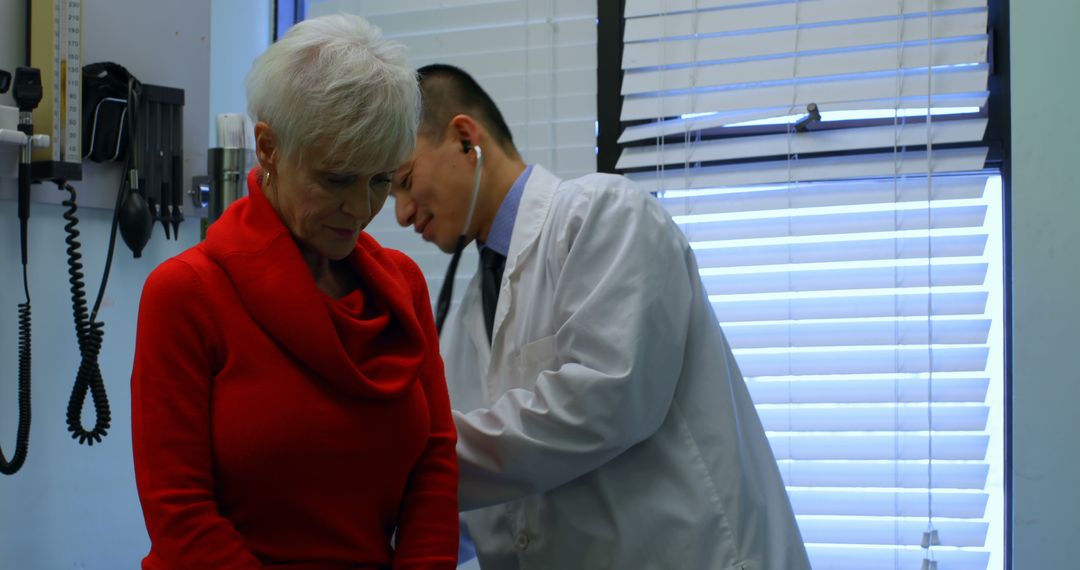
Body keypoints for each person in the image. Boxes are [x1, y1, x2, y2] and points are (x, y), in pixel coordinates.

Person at [390, 64, 811, 570]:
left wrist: (414, 457)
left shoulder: (604, 214)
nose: (400, 213)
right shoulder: (463, 323)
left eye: (405, 181)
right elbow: (481, 499)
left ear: (464, 138)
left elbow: (605, 401)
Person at [130, 15, 458, 569]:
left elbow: (433, 464)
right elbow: (181, 514)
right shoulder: (188, 295)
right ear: (268, 149)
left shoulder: (402, 288)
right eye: (335, 179)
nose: (359, 209)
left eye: (380, 180)